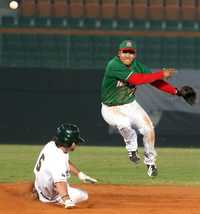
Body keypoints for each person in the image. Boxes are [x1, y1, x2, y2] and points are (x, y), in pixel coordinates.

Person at [101, 40, 180, 177]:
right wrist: (161, 73)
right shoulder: (113, 65)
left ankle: (151, 163)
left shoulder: (137, 66)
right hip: (111, 108)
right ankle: (132, 149)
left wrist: (176, 91)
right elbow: (136, 80)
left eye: (131, 52)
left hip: (130, 104)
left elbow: (154, 81)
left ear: (135, 55)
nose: (127, 55)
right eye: (125, 52)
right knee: (124, 123)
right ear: (119, 53)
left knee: (149, 128)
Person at [33, 123, 97, 209]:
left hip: (39, 186)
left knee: (58, 180)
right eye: (75, 141)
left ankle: (37, 191)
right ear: (69, 142)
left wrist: (80, 174)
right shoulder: (58, 161)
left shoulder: (52, 145)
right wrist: (67, 200)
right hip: (50, 197)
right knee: (84, 196)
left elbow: (65, 162)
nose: (77, 144)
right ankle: (57, 202)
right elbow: (59, 182)